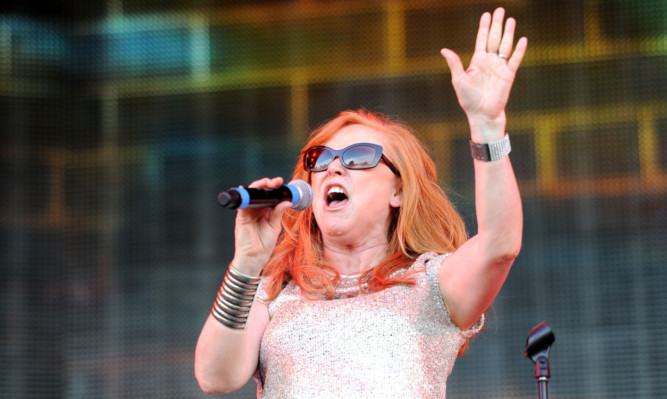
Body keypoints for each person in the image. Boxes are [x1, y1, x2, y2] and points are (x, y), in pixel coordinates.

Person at [195, 7, 526, 398]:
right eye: (321, 159)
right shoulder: (274, 293)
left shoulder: (430, 285)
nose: (334, 168)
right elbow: (216, 378)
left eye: (358, 157)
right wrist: (247, 263)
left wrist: (487, 127)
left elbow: (500, 246)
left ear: (398, 192)